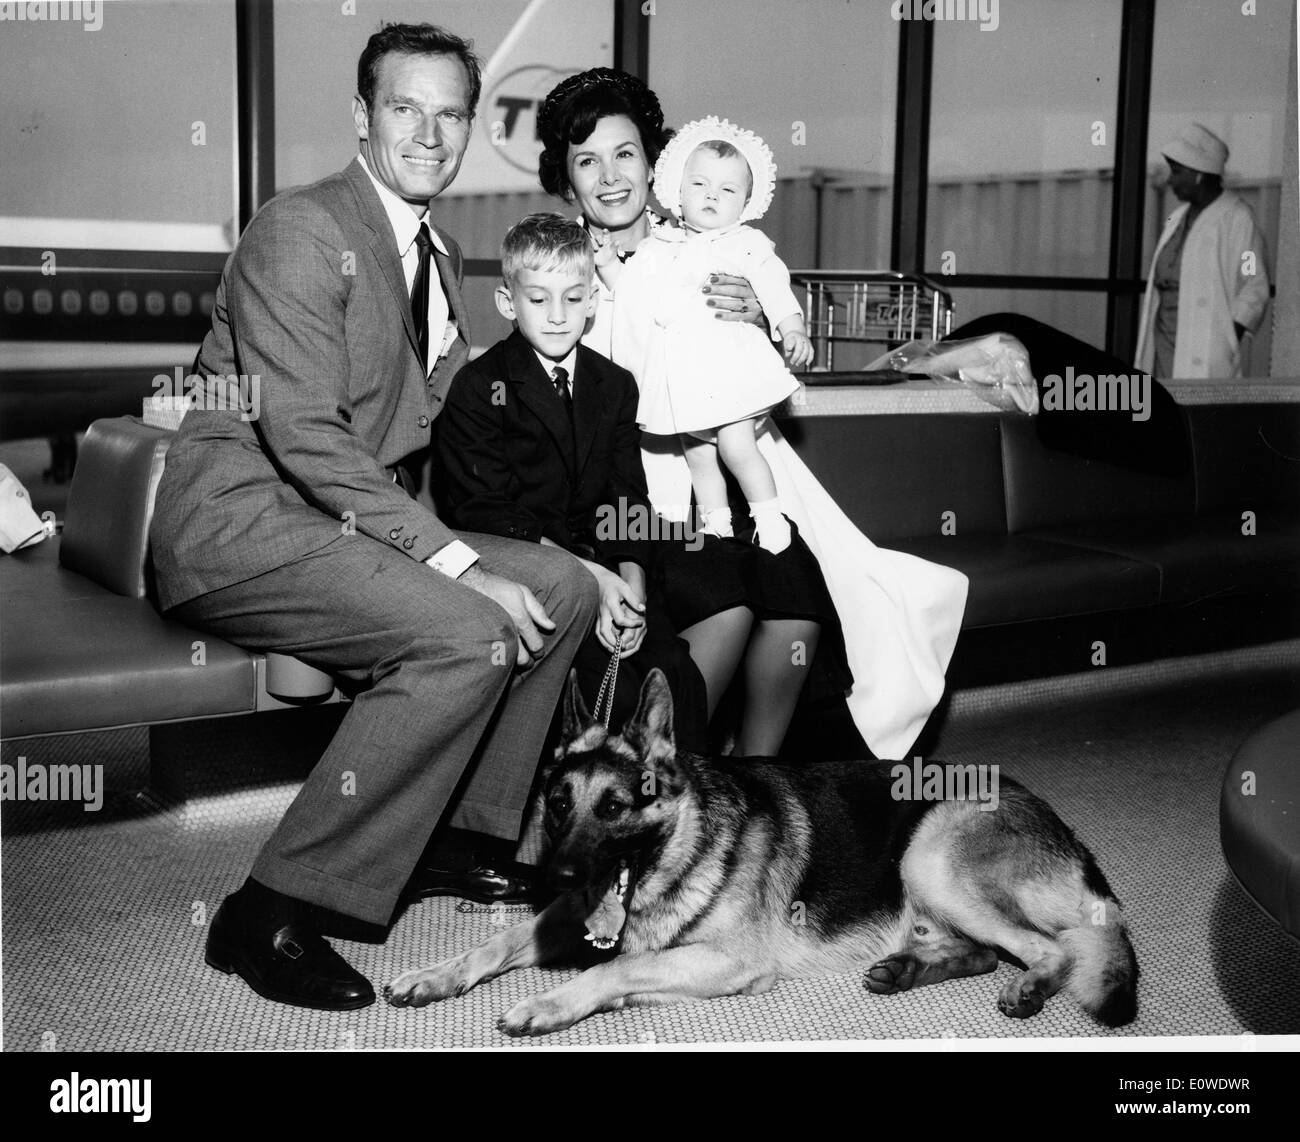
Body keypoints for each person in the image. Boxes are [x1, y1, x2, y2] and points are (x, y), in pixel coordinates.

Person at [148, 23, 597, 1012]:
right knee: (468, 630)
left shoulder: (436, 253)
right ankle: (267, 906)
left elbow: (430, 431)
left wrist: (546, 550)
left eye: (451, 113)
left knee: (559, 589)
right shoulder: (300, 229)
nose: (431, 133)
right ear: (362, 116)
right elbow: (304, 433)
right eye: (406, 107)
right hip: (244, 521)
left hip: (343, 519)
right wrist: (463, 569)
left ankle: (457, 838)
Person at [536, 68, 968, 762]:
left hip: (720, 474)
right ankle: (667, 774)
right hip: (627, 496)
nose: (610, 175)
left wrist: (763, 316)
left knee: (798, 605)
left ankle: (755, 780)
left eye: (626, 154)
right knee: (725, 606)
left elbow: (744, 370)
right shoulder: (556, 266)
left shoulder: (713, 249)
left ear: (656, 166)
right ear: (566, 177)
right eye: (587, 160)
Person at [437, 212, 708, 748]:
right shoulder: (479, 387)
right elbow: (481, 512)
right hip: (531, 572)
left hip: (605, 566)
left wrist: (631, 591)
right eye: (538, 300)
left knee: (678, 679)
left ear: (593, 301)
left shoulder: (614, 385)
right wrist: (594, 580)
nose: (558, 316)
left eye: (573, 297)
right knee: (613, 701)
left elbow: (628, 500)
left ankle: (683, 820)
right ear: (507, 303)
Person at [597, 117, 813, 555]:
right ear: (678, 191)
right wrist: (605, 264)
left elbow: (775, 289)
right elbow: (633, 295)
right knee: (697, 455)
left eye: (728, 190)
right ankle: (717, 525)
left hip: (730, 373)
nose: (712, 195)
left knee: (736, 445)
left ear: (747, 203)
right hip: (684, 383)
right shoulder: (659, 247)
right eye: (700, 184)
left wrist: (793, 329)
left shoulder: (744, 243)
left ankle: (768, 517)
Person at [1136, 123, 1271, 379]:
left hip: (1206, 354)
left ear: (1199, 173)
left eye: (1176, 172)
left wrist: (1229, 335)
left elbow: (1254, 283)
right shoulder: (1176, 217)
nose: (1170, 180)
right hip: (1164, 344)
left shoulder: (1239, 218)